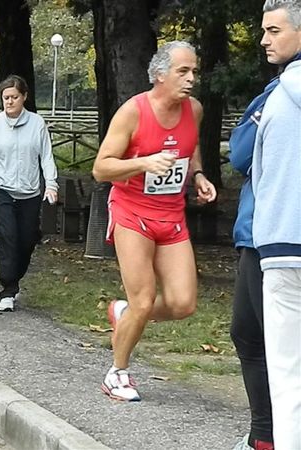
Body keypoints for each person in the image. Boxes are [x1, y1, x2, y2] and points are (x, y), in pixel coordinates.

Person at [91, 41, 217, 401]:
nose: (192, 78)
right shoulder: (133, 112)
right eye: (183, 71)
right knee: (145, 298)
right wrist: (143, 162)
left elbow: (189, 146)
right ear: (160, 75)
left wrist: (198, 176)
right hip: (132, 212)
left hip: (171, 215)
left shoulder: (193, 109)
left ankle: (126, 313)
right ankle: (118, 372)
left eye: (194, 71)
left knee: (183, 303)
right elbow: (101, 168)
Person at [250, 1, 301, 448]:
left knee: (287, 374)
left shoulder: (277, 97)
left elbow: (251, 163)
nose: (265, 39)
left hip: (283, 245)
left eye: (274, 30)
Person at [0, 75, 58, 313]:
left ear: (24, 97)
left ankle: (14, 278)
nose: (9, 102)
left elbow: (46, 156)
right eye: (5, 97)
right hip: (0, 189)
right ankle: (7, 290)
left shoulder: (37, 123)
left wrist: (51, 184)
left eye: (14, 97)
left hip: (29, 192)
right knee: (8, 237)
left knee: (28, 240)